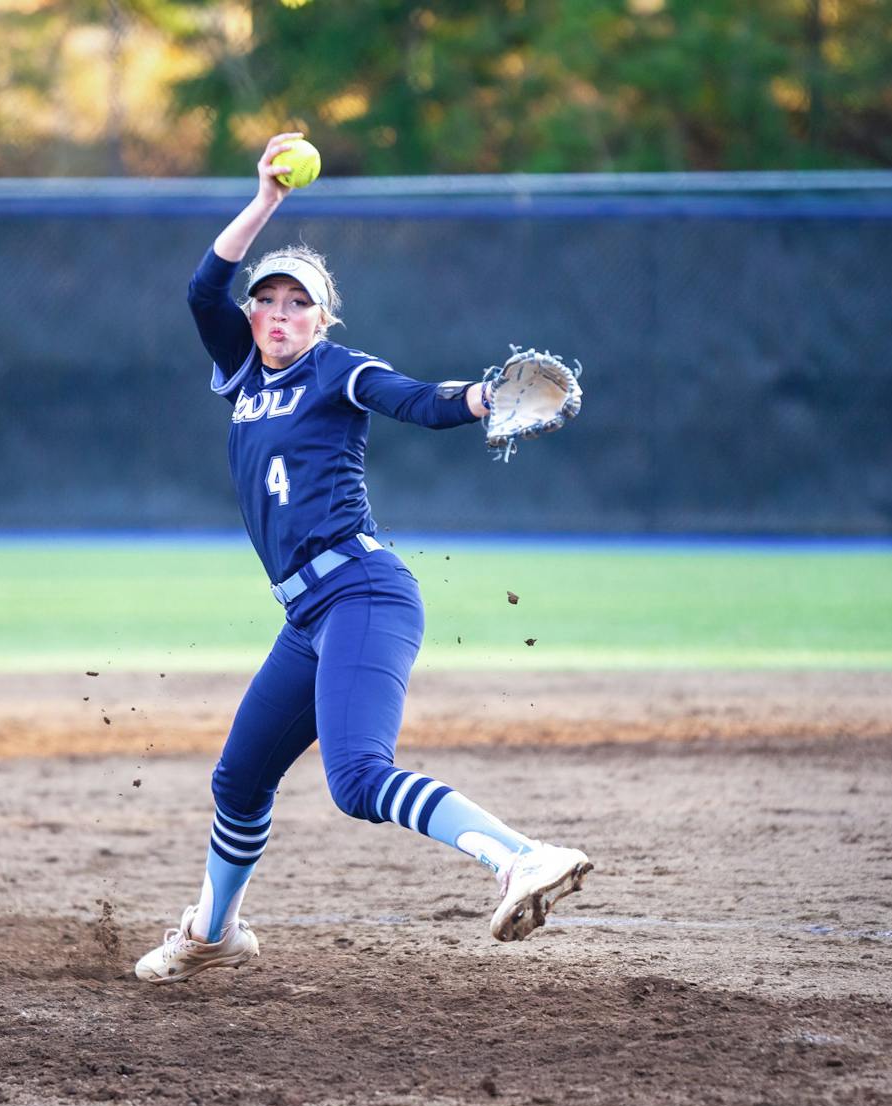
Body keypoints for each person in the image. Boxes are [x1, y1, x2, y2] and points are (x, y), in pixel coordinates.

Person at [135, 133, 592, 984]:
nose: (276, 314)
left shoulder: (336, 370)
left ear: (321, 319)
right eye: (266, 300)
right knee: (237, 781)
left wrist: (485, 396)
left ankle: (521, 855)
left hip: (364, 593)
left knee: (356, 779)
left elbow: (416, 398)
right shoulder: (241, 372)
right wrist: (267, 198)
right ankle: (216, 933)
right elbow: (203, 288)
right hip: (307, 616)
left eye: (295, 305)